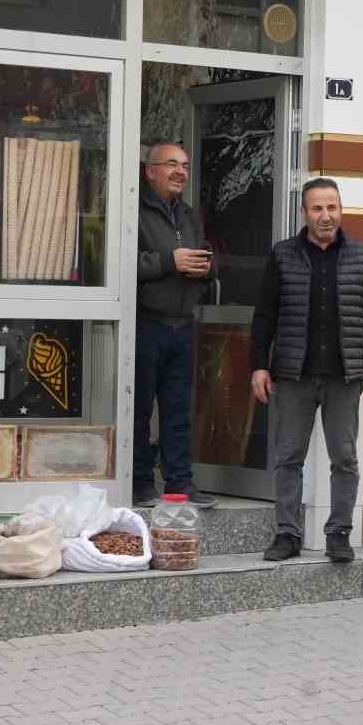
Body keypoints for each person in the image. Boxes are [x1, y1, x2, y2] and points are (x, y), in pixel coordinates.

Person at [251, 179, 363, 563]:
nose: (325, 216)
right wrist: (259, 366)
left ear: (340, 210)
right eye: (317, 208)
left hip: (344, 377)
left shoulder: (362, 257)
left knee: (345, 458)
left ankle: (339, 534)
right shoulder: (283, 256)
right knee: (288, 457)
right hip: (293, 375)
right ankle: (287, 534)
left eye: (331, 207)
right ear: (304, 213)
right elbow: (264, 316)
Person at [135, 140, 216, 509]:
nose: (180, 172)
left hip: (182, 324)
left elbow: (199, 256)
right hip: (144, 323)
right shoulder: (134, 209)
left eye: (184, 165)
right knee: (138, 409)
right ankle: (139, 483)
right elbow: (122, 264)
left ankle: (180, 483)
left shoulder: (189, 215)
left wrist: (205, 267)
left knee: (178, 410)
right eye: (171, 164)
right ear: (150, 171)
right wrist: (171, 261)